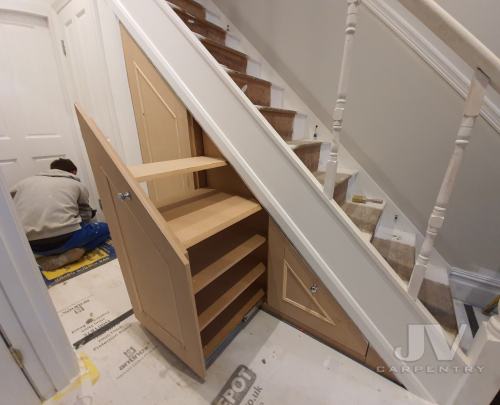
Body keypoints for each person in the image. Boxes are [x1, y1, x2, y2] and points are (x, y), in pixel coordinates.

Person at [10, 158, 110, 271]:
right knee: (107, 228)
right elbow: (86, 215)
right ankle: (78, 251)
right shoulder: (76, 184)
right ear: (73, 172)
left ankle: (50, 254)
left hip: (32, 246)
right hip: (67, 239)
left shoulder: (23, 183)